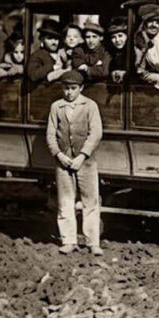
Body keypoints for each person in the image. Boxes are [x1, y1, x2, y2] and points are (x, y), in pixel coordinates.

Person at [46, 70, 104, 255]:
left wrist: (82, 156)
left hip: (85, 162)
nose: (69, 92)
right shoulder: (57, 107)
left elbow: (96, 133)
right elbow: (50, 134)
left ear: (81, 88)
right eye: (66, 88)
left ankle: (93, 242)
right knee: (65, 201)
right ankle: (68, 240)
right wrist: (59, 155)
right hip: (63, 162)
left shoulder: (90, 106)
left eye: (73, 88)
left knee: (91, 201)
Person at [27, 20, 69, 84]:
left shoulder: (62, 53)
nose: (54, 42)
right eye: (49, 38)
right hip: (44, 91)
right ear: (42, 39)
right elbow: (33, 75)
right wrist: (53, 67)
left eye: (56, 39)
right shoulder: (37, 55)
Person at [107, 16, 129, 83]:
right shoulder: (110, 52)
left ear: (126, 36)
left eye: (120, 36)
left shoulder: (132, 51)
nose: (117, 40)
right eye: (113, 37)